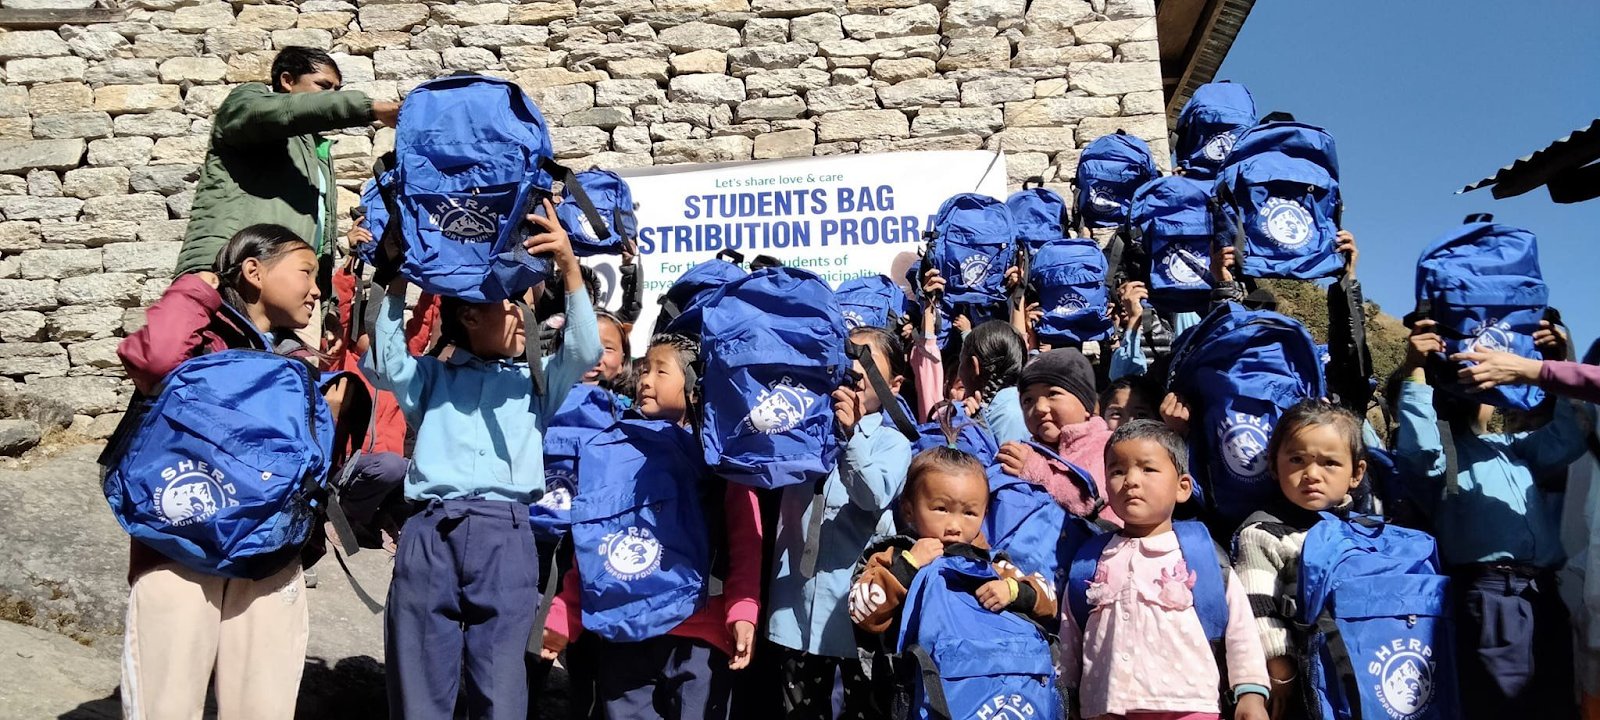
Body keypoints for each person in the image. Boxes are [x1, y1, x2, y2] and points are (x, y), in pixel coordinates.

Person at [364, 199, 599, 719]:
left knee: (502, 683)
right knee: (419, 675)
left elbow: (584, 352)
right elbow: (384, 361)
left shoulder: (536, 382)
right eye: (509, 304)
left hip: (505, 535)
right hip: (430, 532)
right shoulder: (430, 378)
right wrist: (397, 279)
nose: (522, 315)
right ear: (470, 314)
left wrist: (569, 266)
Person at [116, 224, 330, 720]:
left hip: (268, 560)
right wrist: (197, 287)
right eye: (306, 272)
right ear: (253, 271)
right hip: (179, 549)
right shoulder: (201, 340)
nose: (317, 289)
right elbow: (154, 357)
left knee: (264, 707)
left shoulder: (297, 360)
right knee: (164, 705)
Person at [540, 334, 763, 720]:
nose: (645, 380)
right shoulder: (615, 453)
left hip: (700, 636)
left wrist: (743, 609)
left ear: (696, 388)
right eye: (644, 369)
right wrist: (565, 613)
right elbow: (596, 543)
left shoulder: (721, 462)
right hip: (626, 631)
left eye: (662, 370)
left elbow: (746, 541)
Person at [1396, 317, 1588, 720]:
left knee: (1555, 705)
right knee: (1499, 707)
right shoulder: (1446, 454)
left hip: (1542, 596)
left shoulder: (1517, 448)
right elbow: (1417, 451)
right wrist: (1417, 369)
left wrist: (1558, 360)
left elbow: (1570, 436)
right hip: (1489, 599)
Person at [179, 46, 401, 347]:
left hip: (289, 302)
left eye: (337, 91)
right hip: (230, 281)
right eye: (323, 87)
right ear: (287, 80)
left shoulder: (317, 156)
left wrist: (326, 307)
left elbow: (317, 239)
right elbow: (282, 112)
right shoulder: (248, 107)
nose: (331, 96)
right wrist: (371, 108)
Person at [1061, 420, 1270, 720]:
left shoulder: (1201, 554)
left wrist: (1250, 692)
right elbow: (1071, 638)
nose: (1131, 480)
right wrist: (1067, 699)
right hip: (1106, 708)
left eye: (1148, 469)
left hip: (1190, 706)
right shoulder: (1090, 561)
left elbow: (1240, 627)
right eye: (1117, 470)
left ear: (1182, 487)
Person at [765, 326, 915, 720]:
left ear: (894, 384)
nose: (852, 370)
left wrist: (851, 438)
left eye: (865, 362)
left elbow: (872, 495)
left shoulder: (892, 443)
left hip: (852, 621)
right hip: (794, 613)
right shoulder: (803, 432)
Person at [848, 440, 1059, 711]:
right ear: (908, 508)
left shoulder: (993, 564)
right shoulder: (895, 556)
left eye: (970, 513)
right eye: (941, 509)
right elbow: (861, 612)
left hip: (989, 698)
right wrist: (909, 565)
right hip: (917, 697)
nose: (954, 526)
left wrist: (1014, 591)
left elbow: (1049, 599)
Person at [1232, 400, 1368, 719]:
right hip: (1302, 682)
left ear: (1356, 473)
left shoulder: (1369, 533)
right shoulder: (1264, 533)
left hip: (1361, 674)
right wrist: (1281, 668)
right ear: (1274, 466)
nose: (1311, 475)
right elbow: (1258, 607)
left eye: (1330, 463)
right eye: (1297, 460)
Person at [994, 348, 1118, 522]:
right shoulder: (1033, 450)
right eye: (1028, 400)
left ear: (1087, 406)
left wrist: (1036, 470)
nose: (1039, 408)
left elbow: (1085, 501)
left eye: (1053, 394)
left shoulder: (1104, 445)